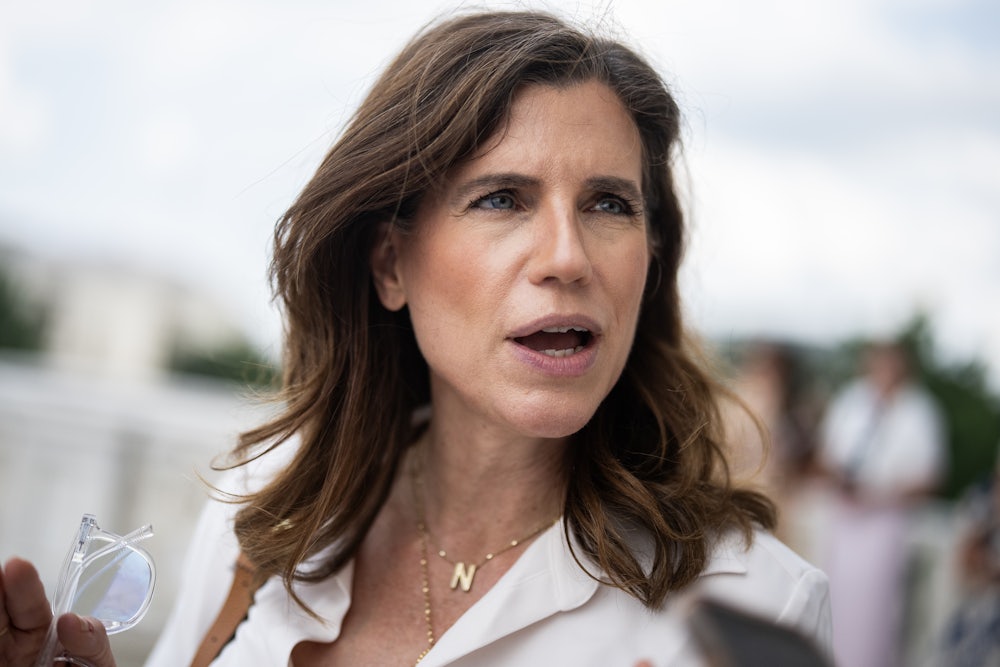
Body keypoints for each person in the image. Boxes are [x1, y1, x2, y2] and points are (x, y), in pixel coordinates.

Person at [1, 10, 831, 666]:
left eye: (609, 203)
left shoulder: (756, 606)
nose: (568, 256)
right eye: (503, 198)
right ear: (391, 264)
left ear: (650, 261)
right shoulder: (265, 512)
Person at [815, 340, 947, 667]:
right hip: (846, 516)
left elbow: (932, 476)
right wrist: (843, 479)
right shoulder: (852, 399)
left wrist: (883, 493)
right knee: (838, 597)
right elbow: (826, 454)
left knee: (876, 609)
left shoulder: (920, 410)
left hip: (887, 521)